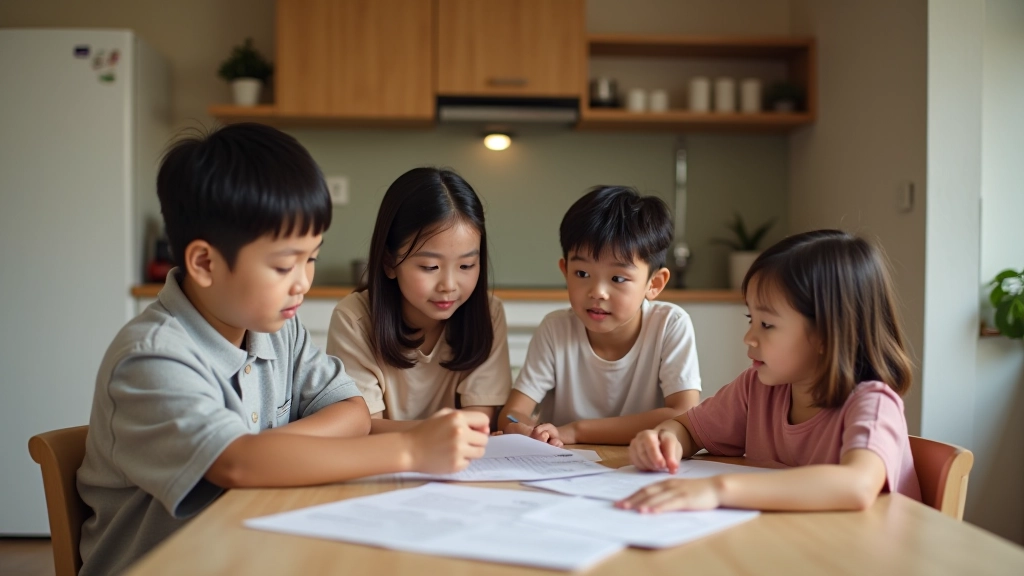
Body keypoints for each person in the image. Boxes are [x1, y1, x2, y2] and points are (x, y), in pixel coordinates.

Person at [76, 125, 488, 576]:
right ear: (205, 263)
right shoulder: (151, 357)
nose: (303, 283)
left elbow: (351, 412)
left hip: (252, 552)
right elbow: (233, 466)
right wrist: (410, 450)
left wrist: (260, 451)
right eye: (283, 265)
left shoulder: (276, 330)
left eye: (310, 258)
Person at [620, 229, 921, 513]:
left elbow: (857, 485)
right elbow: (687, 428)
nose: (749, 337)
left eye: (766, 324)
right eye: (751, 318)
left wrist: (718, 489)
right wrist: (663, 442)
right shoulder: (757, 388)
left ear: (827, 335)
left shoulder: (873, 404)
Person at [498, 186, 701, 446]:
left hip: (638, 466)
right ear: (565, 270)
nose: (597, 292)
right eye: (582, 274)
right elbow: (513, 412)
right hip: (561, 466)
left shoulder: (670, 325)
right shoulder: (555, 328)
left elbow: (683, 414)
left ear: (654, 284)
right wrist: (520, 428)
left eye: (618, 278)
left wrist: (576, 431)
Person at [327, 167, 511, 432]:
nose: (448, 286)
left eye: (466, 266)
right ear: (390, 262)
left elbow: (479, 422)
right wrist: (440, 433)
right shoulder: (354, 319)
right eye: (429, 267)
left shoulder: (488, 314)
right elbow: (364, 428)